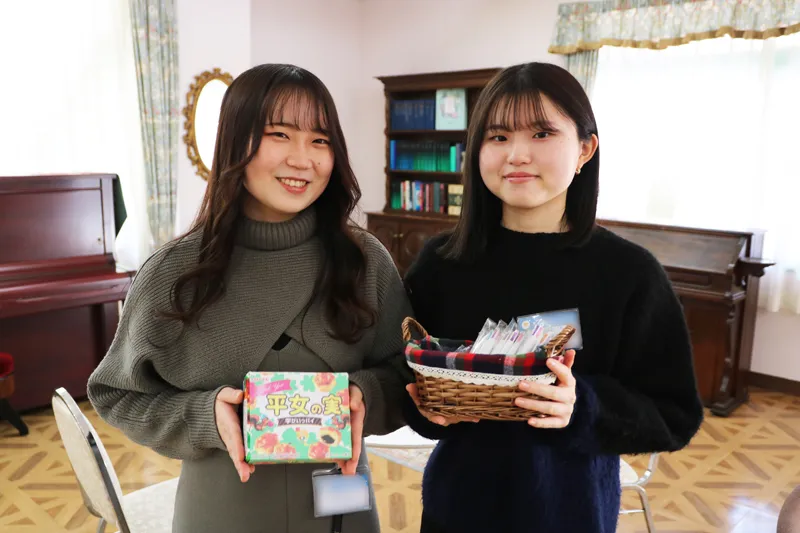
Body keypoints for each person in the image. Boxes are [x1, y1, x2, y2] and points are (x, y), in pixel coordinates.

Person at [87, 63, 412, 533]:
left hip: (343, 506)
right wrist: (203, 416)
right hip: (220, 508)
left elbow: (407, 371)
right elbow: (117, 393)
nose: (303, 159)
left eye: (320, 140)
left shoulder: (365, 261)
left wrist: (366, 394)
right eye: (280, 134)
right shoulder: (175, 272)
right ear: (235, 142)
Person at [402, 62, 705, 533]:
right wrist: (424, 409)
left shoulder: (627, 272)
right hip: (456, 510)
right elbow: (410, 381)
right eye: (498, 136)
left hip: (569, 515)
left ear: (585, 149)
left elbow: (674, 416)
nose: (517, 154)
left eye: (542, 134)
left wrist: (580, 405)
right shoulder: (442, 262)